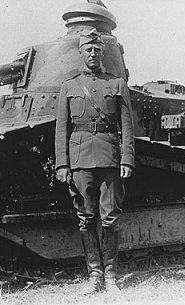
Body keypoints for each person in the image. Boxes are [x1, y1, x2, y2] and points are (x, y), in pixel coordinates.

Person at [55, 29, 135, 294]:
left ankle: (111, 276)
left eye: (97, 50)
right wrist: (62, 164)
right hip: (80, 161)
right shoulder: (70, 86)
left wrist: (127, 159)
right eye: (88, 50)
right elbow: (62, 130)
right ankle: (95, 276)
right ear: (81, 53)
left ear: (103, 53)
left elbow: (127, 126)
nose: (93, 54)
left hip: (110, 157)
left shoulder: (116, 84)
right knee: (86, 219)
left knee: (110, 219)